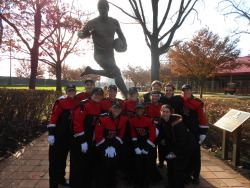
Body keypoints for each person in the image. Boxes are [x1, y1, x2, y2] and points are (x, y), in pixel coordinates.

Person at [78, 0, 128, 98]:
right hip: (99, 54)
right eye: (100, 7)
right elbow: (80, 32)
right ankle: (127, 95)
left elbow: (121, 35)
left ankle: (91, 70)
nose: (102, 9)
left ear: (108, 8)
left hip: (110, 54)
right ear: (98, 9)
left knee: (112, 74)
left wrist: (124, 46)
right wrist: (83, 33)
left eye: (104, 7)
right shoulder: (93, 23)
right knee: (117, 71)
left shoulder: (114, 22)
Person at [47, 84, 78, 188]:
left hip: (72, 135)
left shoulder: (78, 103)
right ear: (66, 92)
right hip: (60, 135)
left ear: (75, 91)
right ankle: (56, 181)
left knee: (70, 158)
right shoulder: (61, 102)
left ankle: (62, 178)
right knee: (59, 159)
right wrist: (51, 133)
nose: (71, 92)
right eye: (69, 91)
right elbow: (53, 118)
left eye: (73, 90)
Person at [157, 104, 196, 188]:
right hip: (176, 147)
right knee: (170, 163)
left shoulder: (177, 124)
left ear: (171, 113)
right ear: (160, 112)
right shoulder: (163, 121)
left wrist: (173, 153)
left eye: (167, 112)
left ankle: (179, 185)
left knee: (177, 167)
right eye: (163, 111)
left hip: (186, 148)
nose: (165, 113)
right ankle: (171, 184)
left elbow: (181, 142)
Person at [72, 87, 104, 188]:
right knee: (79, 164)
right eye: (96, 94)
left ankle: (87, 183)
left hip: (91, 138)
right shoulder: (83, 105)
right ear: (91, 95)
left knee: (88, 162)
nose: (98, 96)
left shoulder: (99, 105)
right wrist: (82, 141)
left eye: (100, 95)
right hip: (80, 138)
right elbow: (77, 124)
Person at [95, 100, 128, 188]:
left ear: (121, 109)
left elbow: (121, 134)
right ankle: (102, 183)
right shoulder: (102, 118)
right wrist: (106, 147)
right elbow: (98, 135)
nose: (116, 110)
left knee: (114, 164)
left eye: (119, 108)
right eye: (114, 108)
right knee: (104, 164)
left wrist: (113, 147)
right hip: (102, 144)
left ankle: (112, 182)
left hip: (114, 144)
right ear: (110, 108)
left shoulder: (124, 119)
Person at [180, 84, 208, 185]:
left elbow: (202, 117)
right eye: (184, 90)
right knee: (186, 153)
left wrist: (202, 132)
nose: (186, 92)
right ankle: (187, 174)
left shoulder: (197, 103)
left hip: (194, 132)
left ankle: (196, 176)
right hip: (183, 132)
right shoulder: (180, 99)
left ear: (191, 90)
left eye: (188, 90)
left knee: (195, 154)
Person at [129, 102, 157, 188]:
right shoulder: (132, 120)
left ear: (144, 109)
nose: (139, 110)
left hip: (149, 143)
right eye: (138, 108)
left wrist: (146, 148)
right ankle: (138, 180)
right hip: (138, 143)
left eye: (141, 108)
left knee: (148, 163)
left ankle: (146, 181)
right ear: (135, 109)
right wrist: (136, 147)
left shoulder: (150, 119)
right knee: (138, 163)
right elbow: (133, 134)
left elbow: (153, 135)